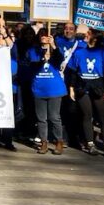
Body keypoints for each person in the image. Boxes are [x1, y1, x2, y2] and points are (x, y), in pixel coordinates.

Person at [66, 28, 104, 157]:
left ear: (95, 38)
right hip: (82, 86)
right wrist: (71, 87)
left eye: (88, 34)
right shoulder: (79, 52)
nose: (85, 36)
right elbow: (73, 71)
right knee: (87, 116)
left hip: (99, 86)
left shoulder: (103, 52)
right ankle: (90, 144)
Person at [29, 27, 66, 155]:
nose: (44, 38)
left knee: (54, 117)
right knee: (41, 118)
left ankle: (59, 141)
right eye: (42, 36)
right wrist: (42, 58)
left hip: (54, 89)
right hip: (39, 88)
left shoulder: (55, 50)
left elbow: (61, 59)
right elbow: (31, 64)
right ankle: (43, 142)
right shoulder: (34, 50)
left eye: (47, 36)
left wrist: (53, 46)